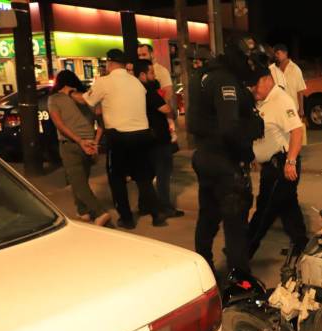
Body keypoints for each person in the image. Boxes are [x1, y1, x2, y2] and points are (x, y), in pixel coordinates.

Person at [187, 35, 266, 278]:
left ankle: (203, 267)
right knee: (235, 225)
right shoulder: (225, 82)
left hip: (205, 157)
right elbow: (230, 128)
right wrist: (255, 126)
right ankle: (240, 281)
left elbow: (193, 123)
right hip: (224, 162)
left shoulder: (201, 77)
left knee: (208, 215)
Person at [71, 48, 167, 229]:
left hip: (119, 137)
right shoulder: (136, 82)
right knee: (143, 177)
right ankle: (157, 212)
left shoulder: (104, 82)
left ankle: (127, 218)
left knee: (117, 179)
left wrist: (69, 93)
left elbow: (86, 100)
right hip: (142, 134)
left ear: (110, 63)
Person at [248, 72, 308, 259]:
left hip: (282, 163)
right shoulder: (262, 100)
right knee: (288, 205)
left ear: (267, 80)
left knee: (266, 209)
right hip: (271, 165)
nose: (252, 89)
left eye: (255, 83)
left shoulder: (281, 100)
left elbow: (297, 131)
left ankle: (245, 249)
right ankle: (301, 244)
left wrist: (290, 162)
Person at [48, 70, 112, 227]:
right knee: (81, 179)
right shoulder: (87, 99)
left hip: (71, 144)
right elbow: (101, 123)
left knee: (78, 183)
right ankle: (83, 210)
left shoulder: (54, 99)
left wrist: (79, 140)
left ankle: (99, 212)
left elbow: (59, 124)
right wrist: (95, 142)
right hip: (89, 143)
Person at [133, 59, 185, 218]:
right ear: (142, 75)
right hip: (158, 139)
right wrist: (167, 99)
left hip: (144, 138)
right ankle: (164, 207)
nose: (154, 75)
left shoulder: (135, 91)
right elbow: (167, 109)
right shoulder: (149, 92)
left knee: (147, 175)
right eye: (151, 73)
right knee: (163, 175)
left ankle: (145, 205)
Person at [269, 44, 307, 118]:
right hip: (276, 109)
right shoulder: (271, 69)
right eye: (275, 54)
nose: (276, 56)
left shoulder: (295, 69)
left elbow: (300, 91)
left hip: (292, 109)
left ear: (285, 53)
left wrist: (301, 109)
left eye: (278, 53)